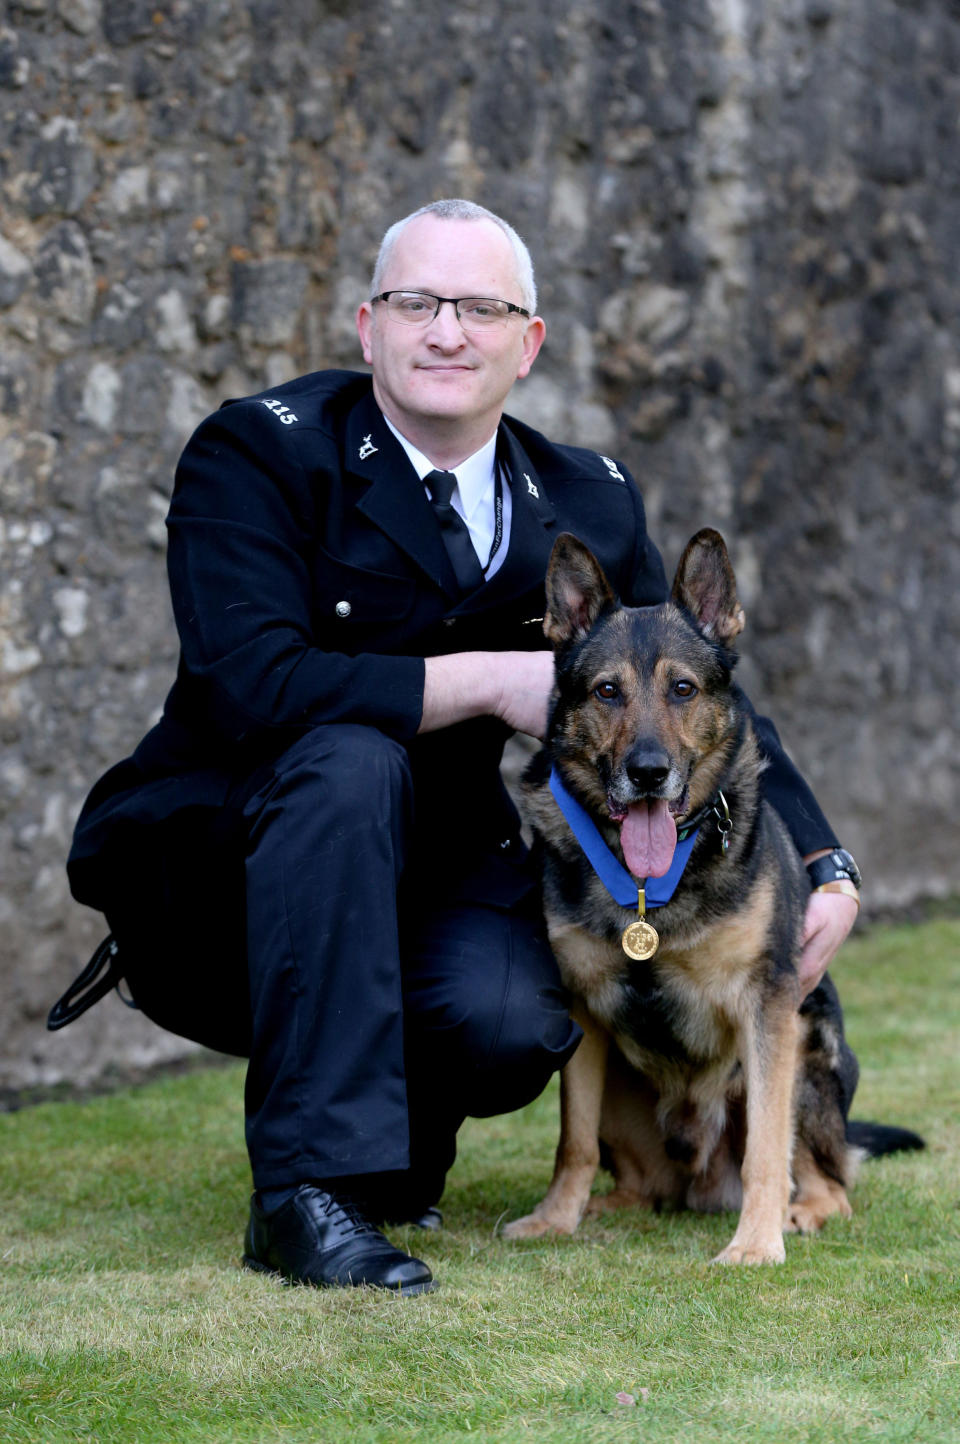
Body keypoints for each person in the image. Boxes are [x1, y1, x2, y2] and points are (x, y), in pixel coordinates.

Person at [65, 198, 860, 1296]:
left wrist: (826, 864)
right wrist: (485, 679)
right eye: (416, 302)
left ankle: (392, 1156)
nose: (447, 330)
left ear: (526, 342)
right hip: (235, 868)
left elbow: (694, 691)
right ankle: (303, 1193)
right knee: (350, 762)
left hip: (428, 867)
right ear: (367, 327)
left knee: (511, 1010)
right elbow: (248, 683)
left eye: (481, 307)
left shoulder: (586, 492)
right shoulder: (257, 452)